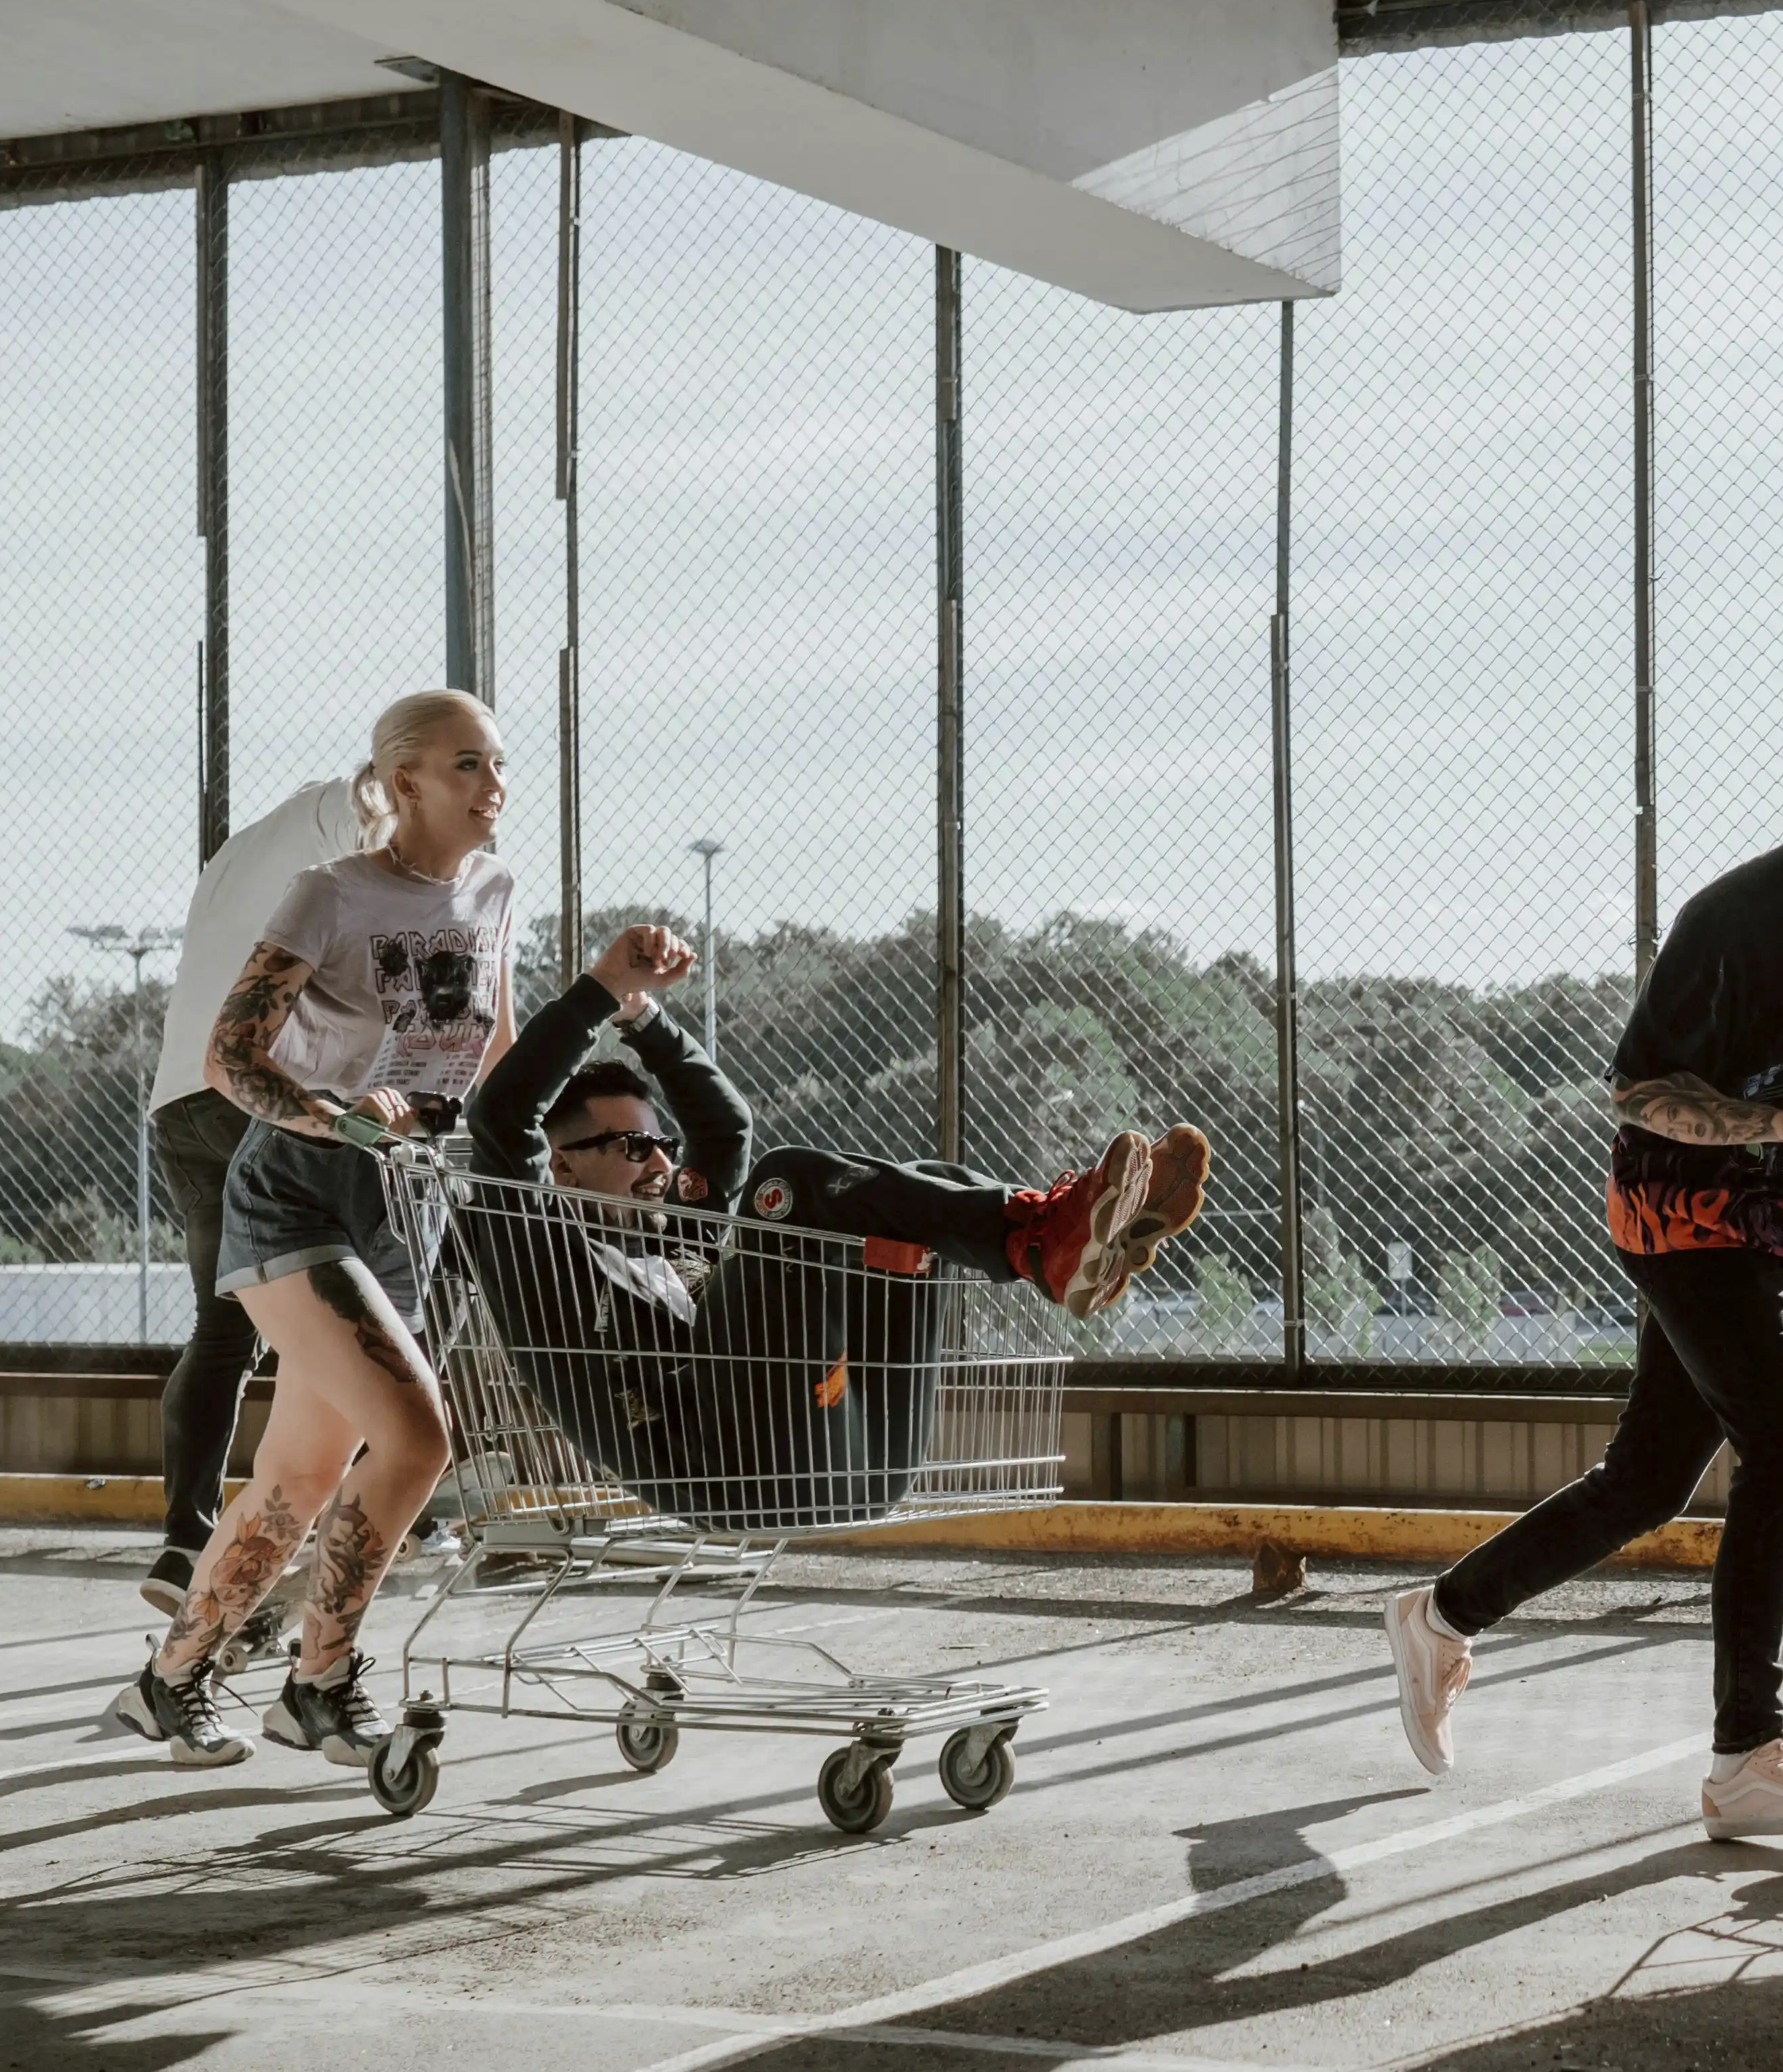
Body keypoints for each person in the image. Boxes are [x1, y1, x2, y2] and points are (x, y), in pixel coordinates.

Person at [1379, 668, 1783, 1837]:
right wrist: (1777, 1118)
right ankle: (1744, 1755)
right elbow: (1639, 1092)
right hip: (1680, 1212)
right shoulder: (1740, 919)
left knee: (1650, 1478)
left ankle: (1444, 1617)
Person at [450, 923, 1208, 1526]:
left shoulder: (673, 1228)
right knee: (786, 1185)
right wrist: (604, 987)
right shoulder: (536, 1245)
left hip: (859, 1454)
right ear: (561, 1165)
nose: (658, 1160)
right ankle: (1040, 1241)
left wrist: (642, 1016)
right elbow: (504, 1114)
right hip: (727, 1468)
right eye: (631, 1145)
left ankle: (1044, 1233)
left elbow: (724, 1125)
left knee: (931, 1193)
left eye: (661, 1142)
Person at [111, 690, 519, 1772]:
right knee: (419, 1437)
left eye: (498, 765)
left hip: (404, 1207)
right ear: (407, 781)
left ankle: (169, 1683)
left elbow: (498, 1063)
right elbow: (230, 1058)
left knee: (299, 1475)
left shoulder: (494, 893)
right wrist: (336, 1113)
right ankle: (322, 1680)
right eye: (468, 765)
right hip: (295, 1190)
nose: (494, 788)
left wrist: (618, 1012)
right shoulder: (329, 895)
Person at [134, 770, 370, 1616]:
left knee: (225, 1324)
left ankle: (184, 1538)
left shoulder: (234, 856)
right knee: (356, 1297)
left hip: (181, 1105)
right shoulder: (341, 811)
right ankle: (361, 1507)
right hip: (257, 1094)